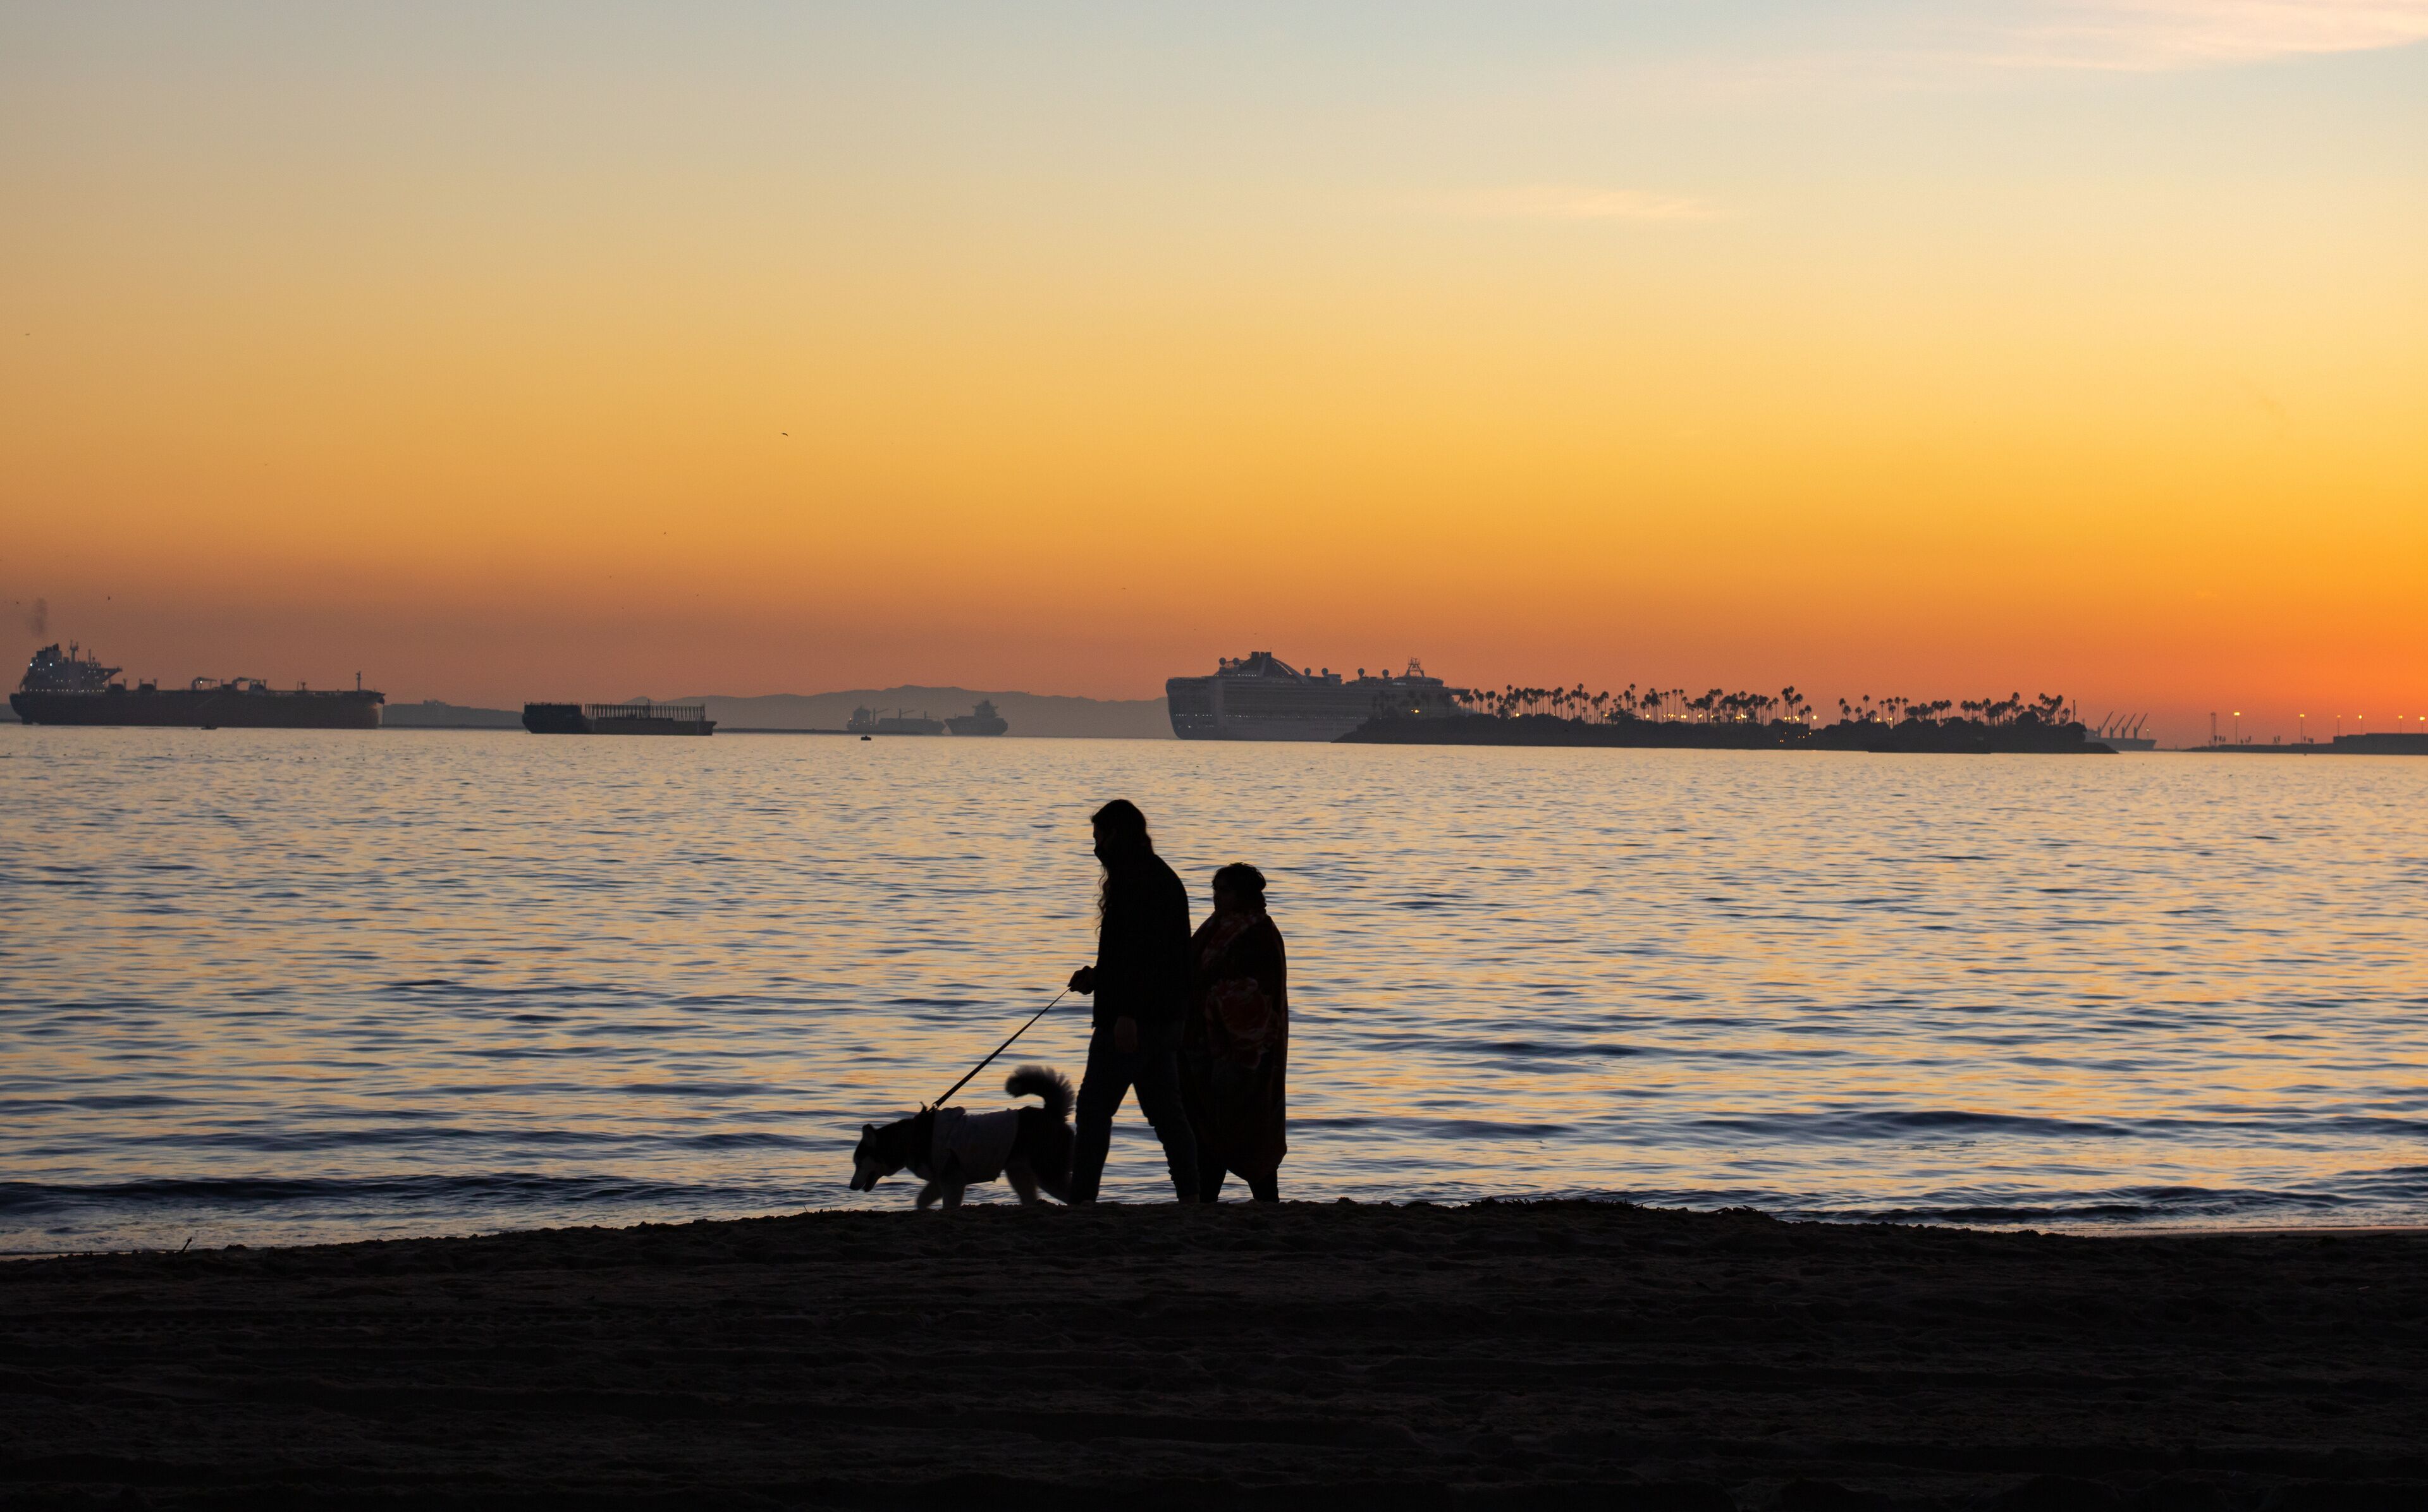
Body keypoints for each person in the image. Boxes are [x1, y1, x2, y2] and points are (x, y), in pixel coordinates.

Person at [1065, 799, 1200, 1203]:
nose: (1096, 848)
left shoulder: (1138, 882)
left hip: (1133, 1021)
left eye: (1099, 837)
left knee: (1094, 1110)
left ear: (1116, 835)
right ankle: (1191, 1199)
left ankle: (1082, 1200)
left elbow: (1146, 959)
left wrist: (1126, 1014)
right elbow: (1135, 956)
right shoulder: (1156, 876)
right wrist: (1098, 977)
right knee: (1166, 1115)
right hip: (1162, 1017)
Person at [1179, 863, 1288, 1202]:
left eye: (1225, 891)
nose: (1217, 897)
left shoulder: (1259, 933)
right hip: (1207, 1047)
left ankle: (1264, 1200)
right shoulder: (1215, 928)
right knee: (1208, 1127)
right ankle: (1205, 1198)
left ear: (1244, 894)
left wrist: (1211, 999)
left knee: (1249, 1125)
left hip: (1247, 1052)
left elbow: (1258, 991)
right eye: (1216, 890)